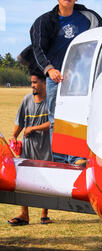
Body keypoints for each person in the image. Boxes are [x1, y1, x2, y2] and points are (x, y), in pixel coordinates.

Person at [29, 0, 102, 163]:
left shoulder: (89, 17)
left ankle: (77, 158)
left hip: (83, 77)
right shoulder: (44, 21)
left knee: (82, 115)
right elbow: (38, 48)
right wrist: (49, 69)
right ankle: (60, 160)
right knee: (57, 120)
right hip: (57, 77)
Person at [8, 70, 53, 226]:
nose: (32, 85)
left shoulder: (50, 102)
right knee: (23, 180)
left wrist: (33, 129)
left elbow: (52, 123)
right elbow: (20, 122)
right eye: (31, 82)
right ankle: (24, 214)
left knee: (46, 181)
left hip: (46, 147)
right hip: (28, 148)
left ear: (44, 83)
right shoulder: (27, 100)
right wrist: (14, 136)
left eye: (35, 82)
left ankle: (44, 214)